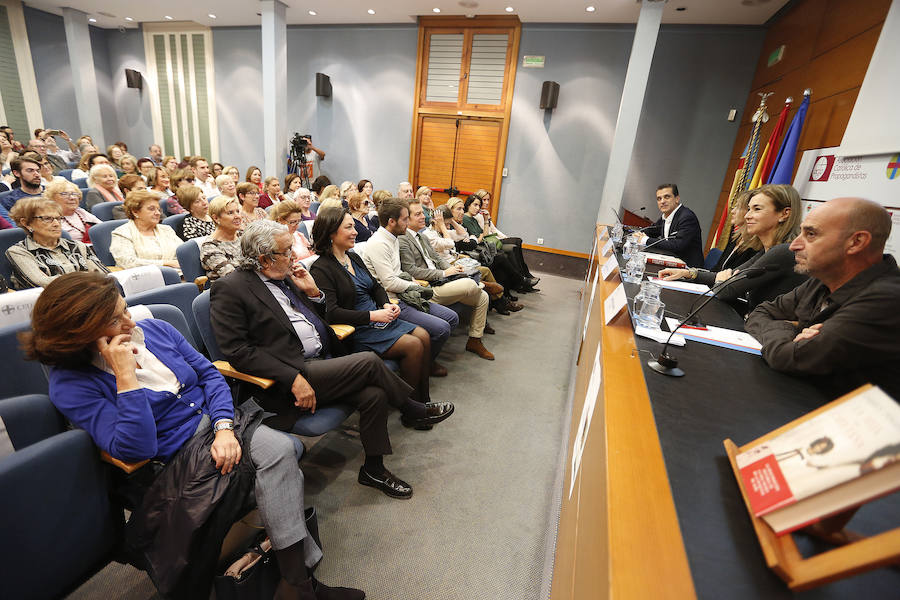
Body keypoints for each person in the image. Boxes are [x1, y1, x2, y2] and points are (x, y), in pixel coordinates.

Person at [22, 272, 364, 600]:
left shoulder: (155, 329)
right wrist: (125, 379)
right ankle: (300, 584)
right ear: (81, 334)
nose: (129, 323)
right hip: (173, 457)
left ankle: (296, 585)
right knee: (280, 456)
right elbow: (136, 447)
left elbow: (210, 376)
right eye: (114, 321)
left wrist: (223, 427)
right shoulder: (70, 384)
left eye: (124, 309)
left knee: (279, 455)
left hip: (221, 426)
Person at [210, 220, 455, 499]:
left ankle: (373, 468)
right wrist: (293, 377)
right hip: (286, 378)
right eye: (287, 250)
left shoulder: (285, 276)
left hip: (320, 363)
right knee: (367, 361)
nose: (294, 255)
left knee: (373, 394)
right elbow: (238, 351)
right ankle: (412, 408)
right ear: (264, 258)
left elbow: (315, 320)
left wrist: (313, 293)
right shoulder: (230, 288)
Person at [745, 197, 900, 400]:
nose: (794, 245)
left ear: (856, 242)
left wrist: (788, 327)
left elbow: (791, 357)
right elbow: (761, 312)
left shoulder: (886, 300)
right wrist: (795, 329)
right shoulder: (824, 277)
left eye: (811, 234)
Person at [310, 207, 435, 405]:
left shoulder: (353, 257)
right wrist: (372, 316)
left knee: (423, 335)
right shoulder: (321, 268)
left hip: (378, 319)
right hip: (357, 330)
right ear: (332, 233)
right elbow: (331, 313)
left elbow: (376, 287)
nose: (356, 232)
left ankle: (422, 399)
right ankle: (411, 407)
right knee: (413, 345)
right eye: (349, 227)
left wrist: (385, 304)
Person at [659, 184, 807, 315]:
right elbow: (726, 279)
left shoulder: (784, 251)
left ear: (784, 214)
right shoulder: (765, 250)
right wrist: (688, 273)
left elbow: (727, 290)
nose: (748, 216)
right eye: (748, 209)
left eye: (757, 209)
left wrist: (723, 281)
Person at [362, 197, 461, 376]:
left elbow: (398, 275)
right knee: (442, 328)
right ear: (392, 221)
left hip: (403, 294)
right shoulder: (379, 243)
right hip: (392, 300)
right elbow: (389, 282)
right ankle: (422, 364)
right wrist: (413, 285)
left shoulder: (393, 238)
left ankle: (424, 361)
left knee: (452, 317)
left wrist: (411, 284)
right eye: (405, 219)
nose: (408, 223)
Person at [400, 199, 495, 360]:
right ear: (407, 219)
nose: (424, 217)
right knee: (470, 284)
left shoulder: (421, 237)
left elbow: (437, 257)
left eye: (423, 213)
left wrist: (451, 269)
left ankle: (474, 340)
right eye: (418, 214)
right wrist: (444, 273)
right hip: (428, 287)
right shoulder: (403, 239)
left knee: (483, 297)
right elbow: (411, 270)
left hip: (442, 281)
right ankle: (482, 284)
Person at [426, 204, 517, 314]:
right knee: (484, 273)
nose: (448, 227)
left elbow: (463, 234)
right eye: (446, 224)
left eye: (449, 224)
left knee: (487, 270)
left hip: (456, 262)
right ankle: (499, 301)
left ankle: (499, 302)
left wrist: (451, 221)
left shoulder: (442, 232)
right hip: (447, 267)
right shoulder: (429, 235)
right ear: (437, 222)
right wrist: (442, 225)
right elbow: (449, 243)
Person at [5, 197, 107, 288]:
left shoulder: (78, 246)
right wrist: (87, 277)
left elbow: (102, 275)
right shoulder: (18, 252)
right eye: (47, 219)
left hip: (91, 298)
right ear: (26, 223)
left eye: (58, 218)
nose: (56, 224)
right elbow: (44, 284)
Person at [462, 194, 539, 293]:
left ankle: (521, 280)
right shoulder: (466, 218)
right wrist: (481, 235)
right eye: (475, 205)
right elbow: (480, 238)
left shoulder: (473, 218)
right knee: (503, 255)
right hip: (479, 249)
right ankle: (521, 281)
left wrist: (486, 220)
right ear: (468, 205)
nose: (477, 208)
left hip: (485, 245)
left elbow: (484, 234)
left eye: (478, 206)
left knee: (508, 251)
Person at [109, 190, 182, 269]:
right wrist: (165, 263)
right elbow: (128, 262)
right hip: (141, 278)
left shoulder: (166, 229)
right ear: (135, 212)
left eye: (158, 209)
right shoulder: (122, 233)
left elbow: (183, 253)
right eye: (151, 209)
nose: (157, 213)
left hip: (177, 274)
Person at [640, 184, 704, 268]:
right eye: (659, 199)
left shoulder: (687, 217)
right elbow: (652, 231)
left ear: (677, 199)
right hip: (671, 261)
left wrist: (645, 240)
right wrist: (638, 234)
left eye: (667, 197)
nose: (662, 201)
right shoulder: (667, 216)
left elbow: (677, 245)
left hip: (688, 268)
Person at [201, 196, 243, 281]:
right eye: (230, 213)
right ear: (216, 218)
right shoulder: (209, 247)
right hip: (229, 290)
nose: (237, 216)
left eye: (237, 211)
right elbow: (233, 277)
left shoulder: (243, 236)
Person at [48, 179, 100, 243]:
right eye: (64, 194)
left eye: (74, 194)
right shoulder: (50, 219)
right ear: (52, 198)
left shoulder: (81, 212)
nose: (72, 197)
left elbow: (103, 229)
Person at [0, 154, 44, 222]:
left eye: (38, 171)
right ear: (16, 173)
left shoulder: (52, 192)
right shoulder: (11, 200)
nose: (37, 174)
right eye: (30, 170)